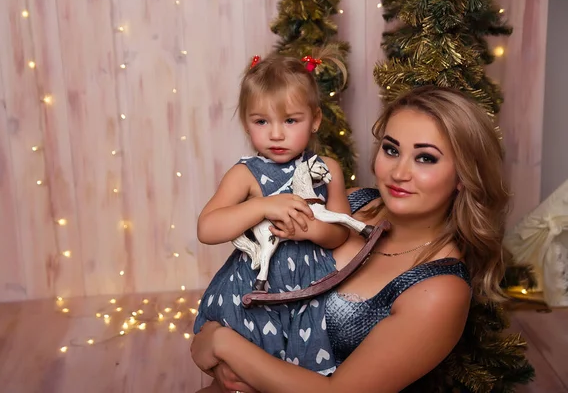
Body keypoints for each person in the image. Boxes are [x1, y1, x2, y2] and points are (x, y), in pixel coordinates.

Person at [191, 85, 511, 393]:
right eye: (391, 149)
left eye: (425, 158)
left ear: (463, 175)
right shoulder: (353, 203)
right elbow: (246, 282)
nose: (399, 172)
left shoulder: (439, 290)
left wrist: (222, 344)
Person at [193, 48, 355, 378]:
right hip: (256, 288)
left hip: (309, 289)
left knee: (296, 372)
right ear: (246, 123)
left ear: (315, 120)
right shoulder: (246, 174)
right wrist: (262, 206)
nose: (276, 134)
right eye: (261, 121)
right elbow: (207, 228)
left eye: (291, 120)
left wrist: (309, 229)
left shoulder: (327, 170)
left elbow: (341, 233)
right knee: (246, 372)